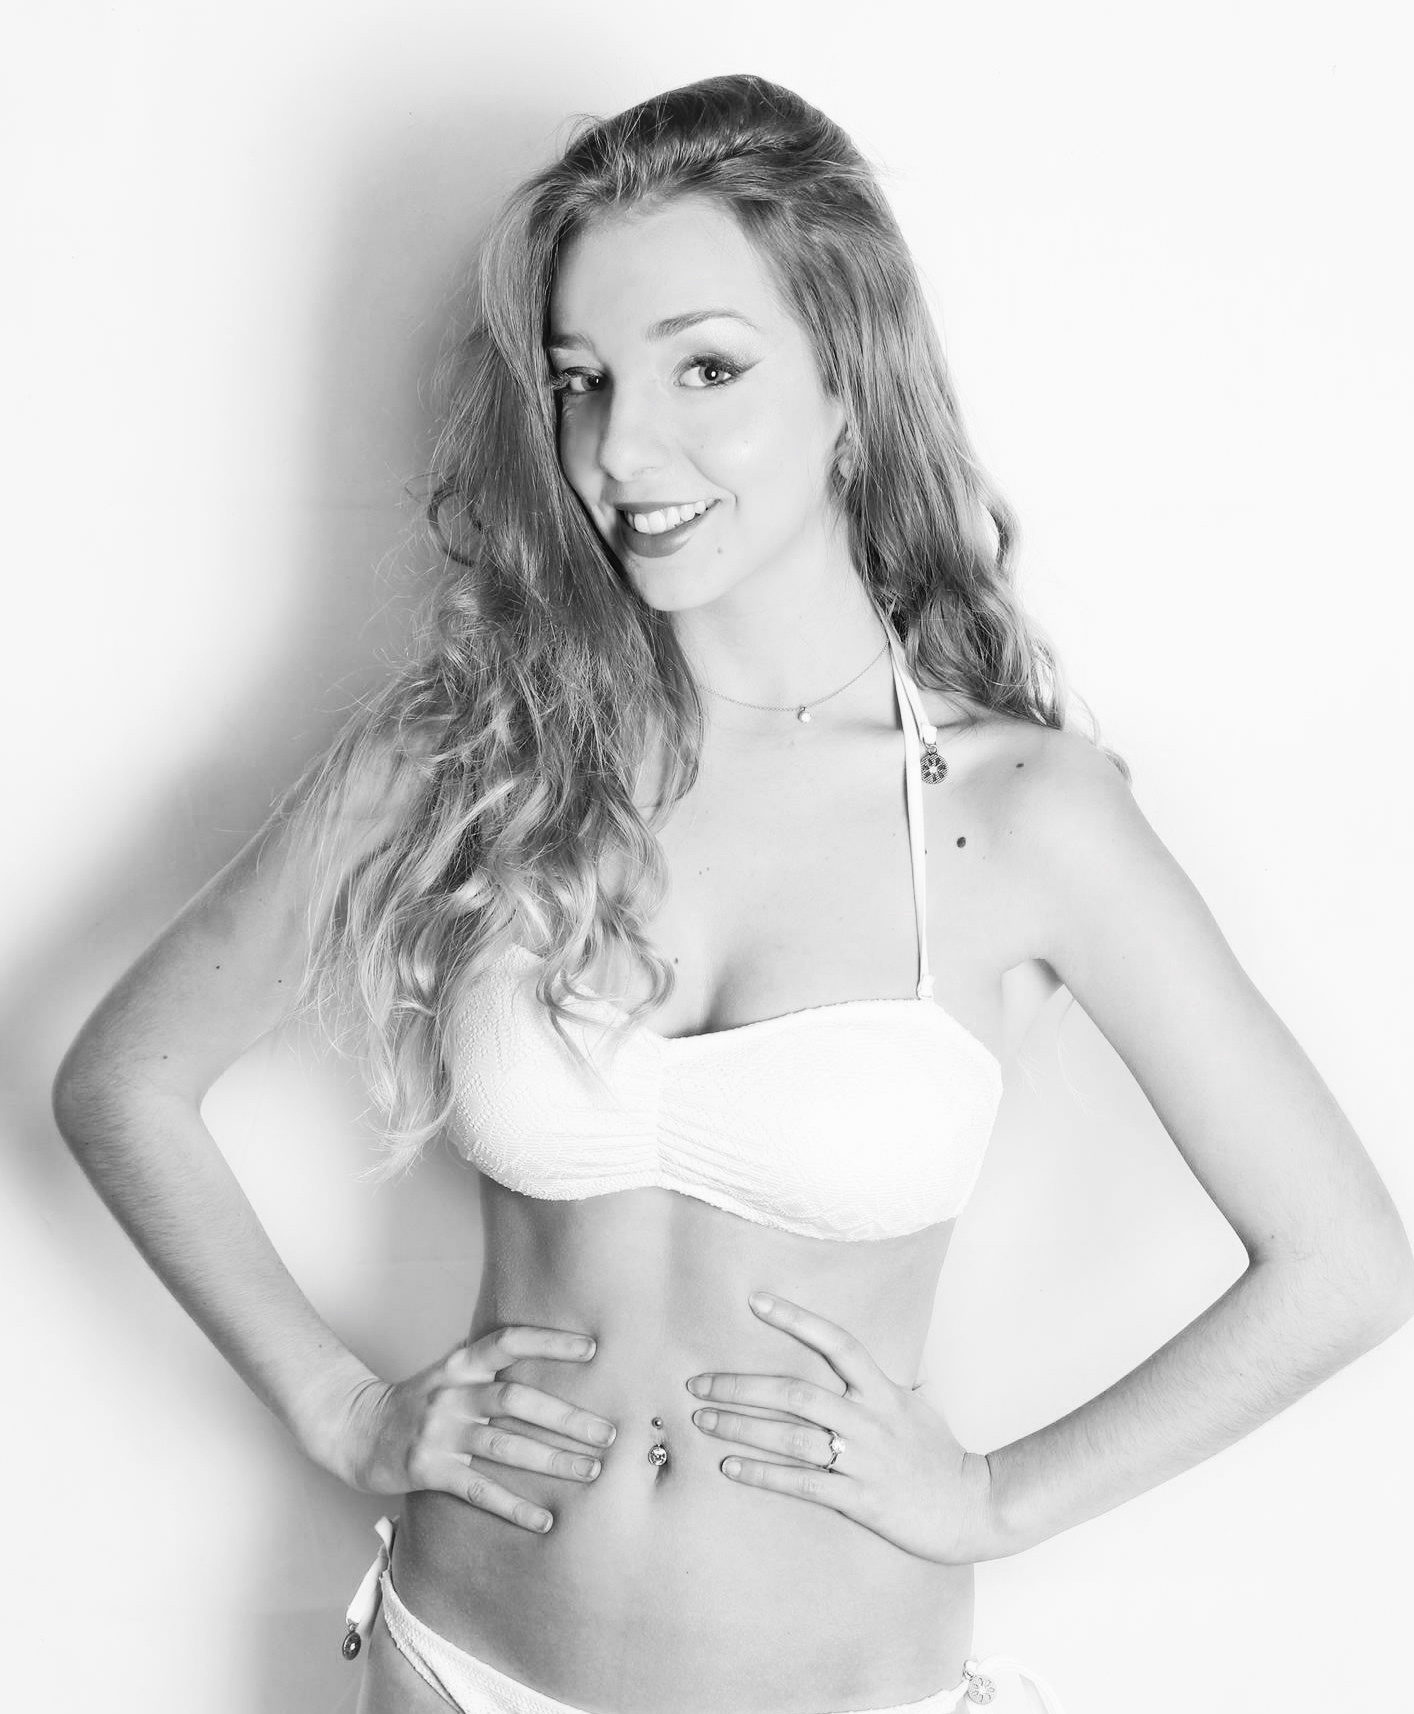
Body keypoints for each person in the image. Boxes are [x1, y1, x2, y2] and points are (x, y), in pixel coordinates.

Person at [52, 72, 1413, 1714]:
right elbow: (124, 1077)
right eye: (580, 381)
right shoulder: (470, 754)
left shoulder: (1016, 818)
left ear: (850, 381)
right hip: (464, 1664)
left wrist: (996, 1499)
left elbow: (1342, 1261)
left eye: (705, 367)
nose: (623, 451)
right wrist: (337, 1409)